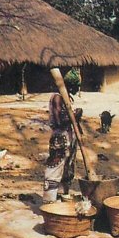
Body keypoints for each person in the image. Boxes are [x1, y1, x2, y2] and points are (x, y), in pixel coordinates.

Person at [43, 69, 82, 203]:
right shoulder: (57, 98)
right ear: (70, 85)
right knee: (55, 166)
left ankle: (62, 195)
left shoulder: (66, 97)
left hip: (68, 137)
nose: (78, 89)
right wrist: (75, 116)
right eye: (76, 86)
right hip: (60, 138)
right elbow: (60, 121)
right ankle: (49, 200)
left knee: (68, 167)